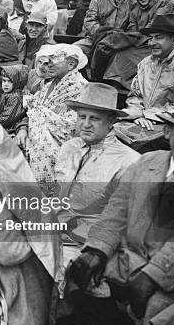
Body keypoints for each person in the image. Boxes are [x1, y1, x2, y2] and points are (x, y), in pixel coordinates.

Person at [67, 96, 174, 325]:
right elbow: (117, 210)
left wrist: (152, 277)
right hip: (129, 258)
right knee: (79, 280)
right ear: (167, 132)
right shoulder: (148, 162)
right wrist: (97, 249)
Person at [55, 83, 140, 247]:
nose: (86, 124)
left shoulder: (129, 161)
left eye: (94, 118)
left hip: (88, 241)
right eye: (82, 117)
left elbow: (122, 219)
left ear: (111, 122)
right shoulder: (70, 147)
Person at [15, 44, 88, 194]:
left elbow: (73, 126)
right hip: (33, 136)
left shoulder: (80, 87)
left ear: (71, 64)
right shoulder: (49, 84)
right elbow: (32, 110)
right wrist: (23, 128)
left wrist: (40, 114)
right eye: (48, 59)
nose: (49, 63)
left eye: (55, 59)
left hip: (63, 146)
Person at [122, 14, 174, 129]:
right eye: (151, 38)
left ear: (173, 39)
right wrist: (137, 116)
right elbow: (135, 96)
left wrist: (146, 115)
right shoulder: (145, 63)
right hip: (142, 122)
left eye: (158, 37)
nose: (151, 43)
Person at [0, 64, 29, 135]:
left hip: (11, 128)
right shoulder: (7, 94)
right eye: (4, 81)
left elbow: (7, 118)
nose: (6, 84)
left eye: (10, 81)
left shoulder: (15, 96)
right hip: (3, 124)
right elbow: (1, 113)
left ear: (16, 82)